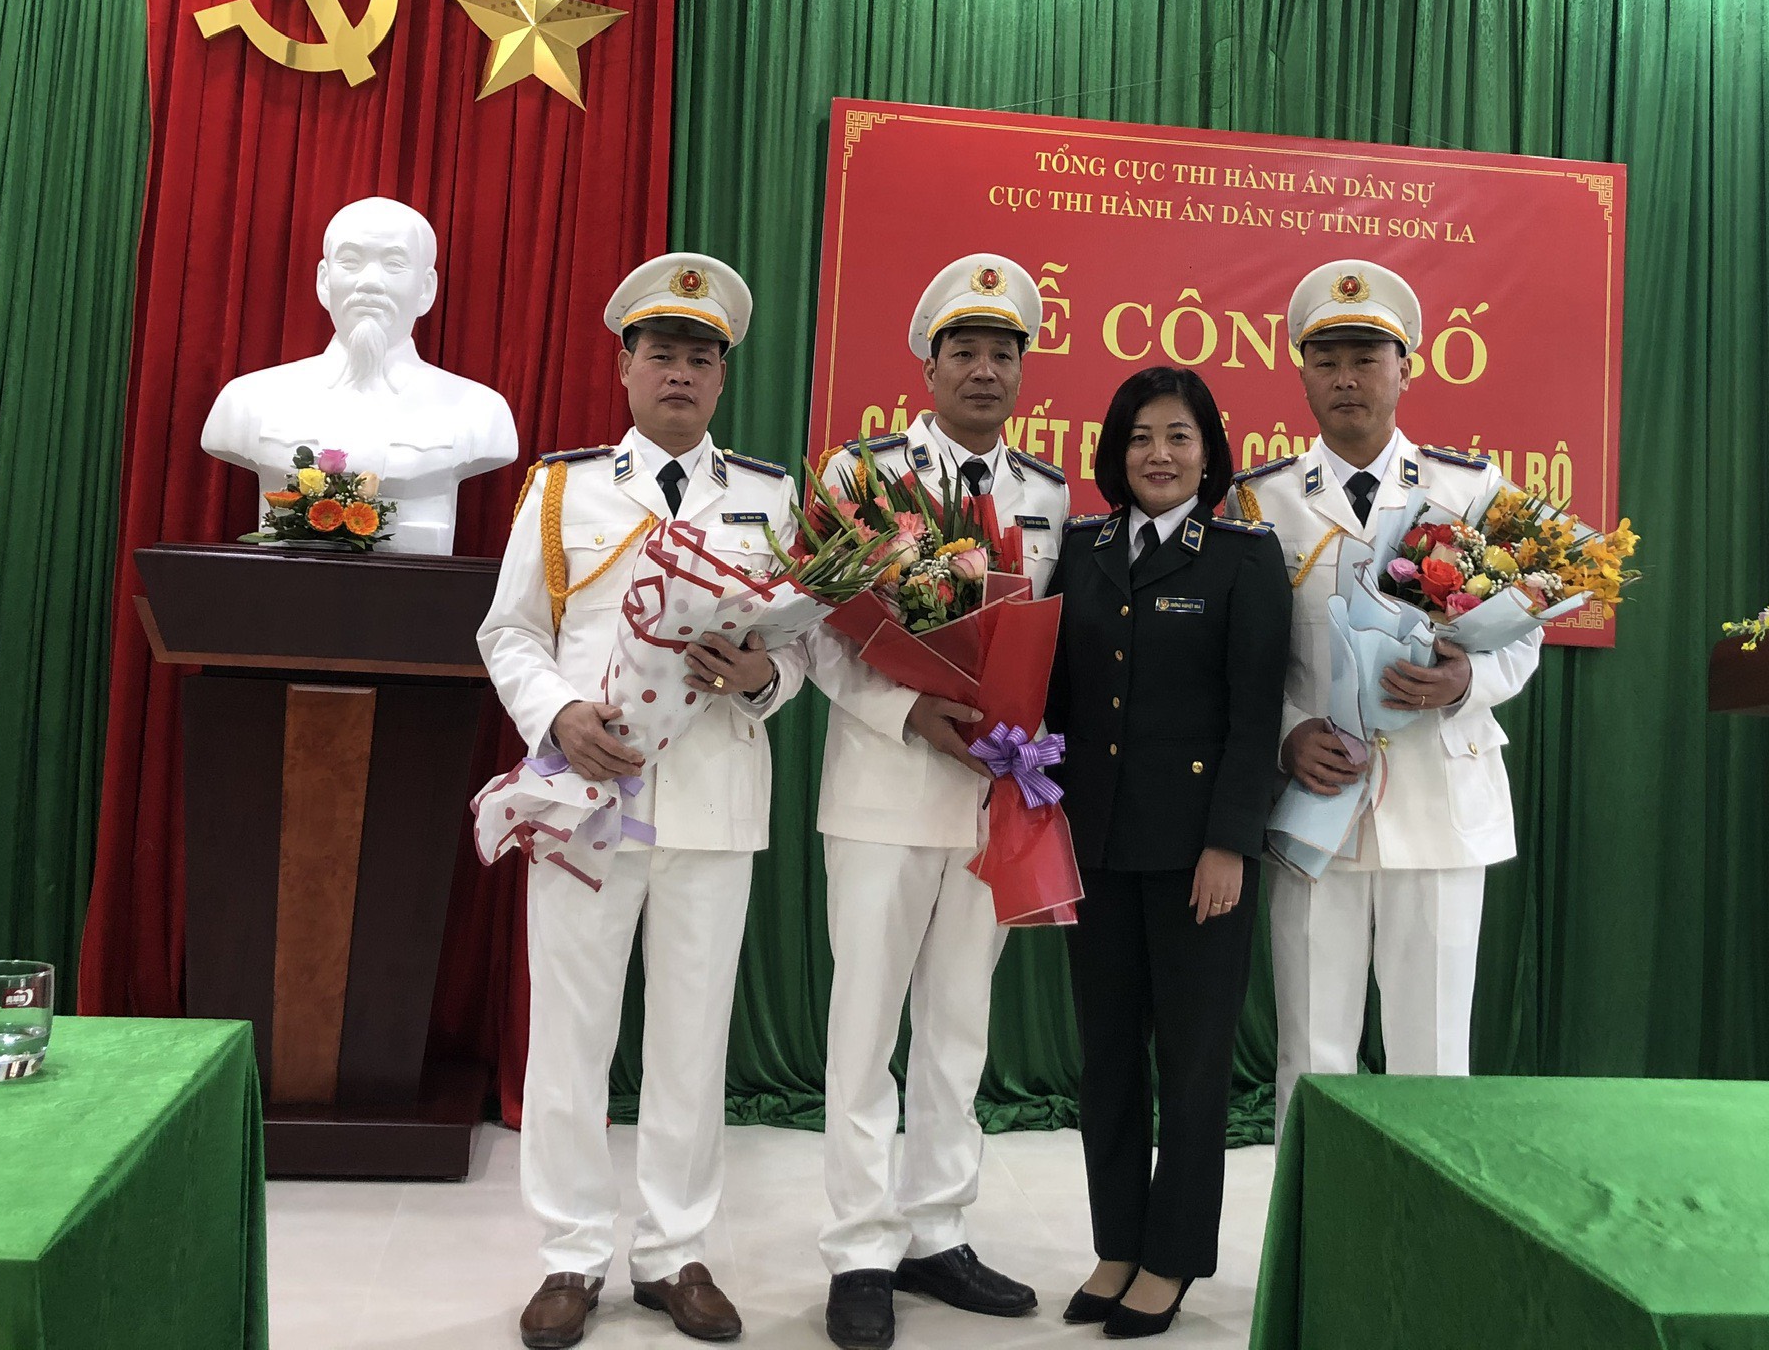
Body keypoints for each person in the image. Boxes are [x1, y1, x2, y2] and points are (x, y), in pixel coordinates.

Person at [481, 253, 814, 1349]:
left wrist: (761, 679)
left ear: (722, 378)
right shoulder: (562, 488)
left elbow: (801, 649)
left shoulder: (769, 496)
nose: (680, 372)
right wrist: (557, 714)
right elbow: (511, 632)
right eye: (661, 352)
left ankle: (675, 1251)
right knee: (571, 1035)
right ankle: (571, 1253)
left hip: (714, 798)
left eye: (700, 358)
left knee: (692, 1038)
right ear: (625, 367)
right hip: (586, 793)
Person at [813, 254, 1069, 1350]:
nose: (984, 369)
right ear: (928, 364)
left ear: (1022, 370)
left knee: (961, 1025)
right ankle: (859, 1249)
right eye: (964, 350)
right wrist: (906, 711)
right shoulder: (860, 476)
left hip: (989, 797)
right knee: (865, 1026)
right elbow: (819, 635)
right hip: (883, 789)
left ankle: (937, 1229)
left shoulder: (1048, 495)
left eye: (1003, 353)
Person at [1224, 260, 1544, 1114]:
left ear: (1407, 367)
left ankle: (1426, 1208)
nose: (1347, 378)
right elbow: (1236, 655)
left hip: (1439, 802)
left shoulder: (1470, 490)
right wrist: (1286, 734)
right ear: (1301, 373)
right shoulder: (1260, 503)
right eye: (1326, 360)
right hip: (1314, 802)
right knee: (1312, 1056)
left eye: (1367, 358)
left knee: (1432, 1058)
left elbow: (1526, 632)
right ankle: (1311, 1207)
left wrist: (1466, 680)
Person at [1045, 366, 1288, 1338]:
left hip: (1198, 857)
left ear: (1207, 452)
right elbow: (1056, 696)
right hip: (1095, 845)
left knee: (1191, 1065)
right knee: (1107, 1058)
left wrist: (1230, 843)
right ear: (1115, 451)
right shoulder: (1082, 550)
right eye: (1141, 436)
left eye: (1179, 436)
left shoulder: (1242, 558)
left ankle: (1173, 1257)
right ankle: (1117, 1244)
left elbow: (1254, 719)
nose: (1158, 454)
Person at [201, 195, 517, 554]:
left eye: (394, 264)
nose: (369, 282)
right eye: (350, 261)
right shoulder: (247, 401)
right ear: (324, 281)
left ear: (426, 289)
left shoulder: (480, 411)